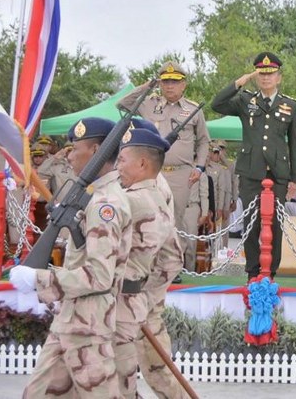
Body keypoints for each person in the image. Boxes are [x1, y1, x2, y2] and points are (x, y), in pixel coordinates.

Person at [10, 117, 133, 398]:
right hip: (71, 320)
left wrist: (39, 278)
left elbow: (99, 276)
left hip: (88, 328)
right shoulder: (93, 195)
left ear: (95, 151)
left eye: (75, 148)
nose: (69, 155)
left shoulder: (104, 204)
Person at [211, 51, 296, 279]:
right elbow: (217, 104)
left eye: (270, 74)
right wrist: (239, 83)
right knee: (251, 223)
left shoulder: (290, 105)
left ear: (279, 77)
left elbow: (295, 143)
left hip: (278, 174)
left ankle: (270, 272)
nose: (266, 78)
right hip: (251, 171)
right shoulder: (246, 100)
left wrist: (295, 179)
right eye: (261, 74)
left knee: (276, 226)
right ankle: (253, 271)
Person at [118, 61, 210, 281]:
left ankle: (172, 268)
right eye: (165, 81)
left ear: (183, 84)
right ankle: (146, 267)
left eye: (174, 82)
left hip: (180, 174)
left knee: (174, 221)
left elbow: (204, 141)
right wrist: (148, 85)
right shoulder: (149, 103)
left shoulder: (193, 109)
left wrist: (199, 167)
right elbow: (122, 104)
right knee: (147, 217)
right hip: (151, 171)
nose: (169, 86)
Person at [114, 121, 183, 398]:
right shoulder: (124, 182)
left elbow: (171, 255)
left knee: (157, 369)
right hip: (124, 298)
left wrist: (146, 297)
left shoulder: (152, 188)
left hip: (141, 294)